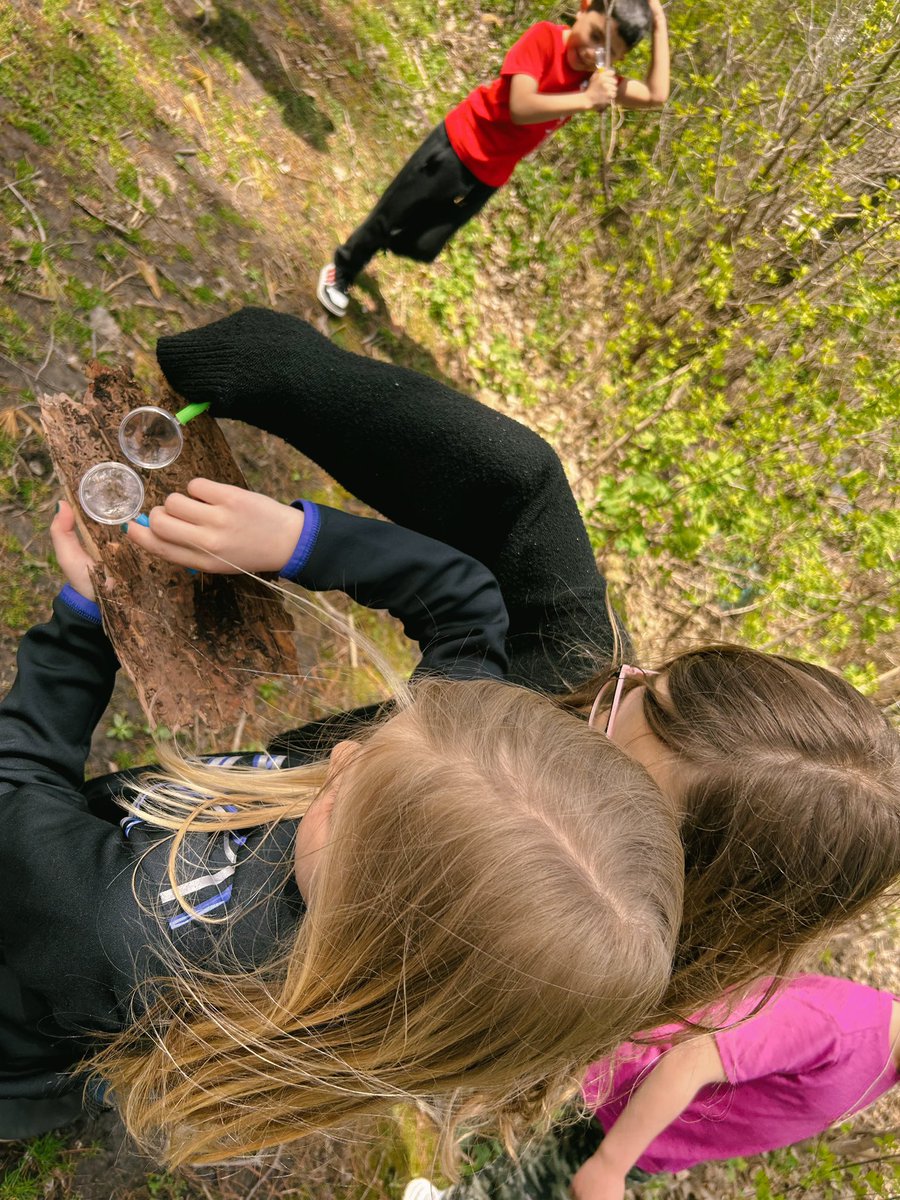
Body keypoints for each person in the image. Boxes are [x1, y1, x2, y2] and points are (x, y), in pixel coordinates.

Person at [152, 306, 900, 1020]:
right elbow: (518, 491)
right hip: (213, 814)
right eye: (632, 690)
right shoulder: (586, 682)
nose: (582, 718)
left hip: (165, 980)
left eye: (603, 769)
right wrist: (289, 373)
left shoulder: (558, 978)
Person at [0, 497, 684, 1168]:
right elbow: (467, 608)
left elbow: (17, 786)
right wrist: (300, 539)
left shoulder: (129, 928)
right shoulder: (439, 864)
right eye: (384, 737)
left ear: (366, 896)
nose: (343, 752)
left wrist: (85, 620)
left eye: (345, 791)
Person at [401, 973, 900, 1200]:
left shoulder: (885, 1064)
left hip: (655, 1145)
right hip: (620, 1116)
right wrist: (610, 1165)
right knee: (528, 1186)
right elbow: (692, 1058)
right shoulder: (843, 1025)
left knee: (519, 1177)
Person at [316, 0, 669, 316]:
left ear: (617, 59)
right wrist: (586, 100)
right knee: (390, 215)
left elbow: (656, 95)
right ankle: (343, 269)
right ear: (583, 8)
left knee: (424, 244)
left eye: (607, 52)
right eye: (594, 35)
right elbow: (521, 106)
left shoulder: (595, 79)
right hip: (457, 145)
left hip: (489, 174)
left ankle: (378, 241)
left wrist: (659, 19)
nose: (594, 53)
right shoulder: (543, 39)